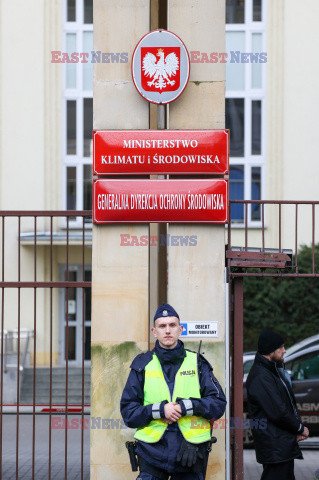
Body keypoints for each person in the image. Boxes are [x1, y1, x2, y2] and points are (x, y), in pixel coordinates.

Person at [120, 303, 226, 480]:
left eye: (172, 325)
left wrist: (185, 407)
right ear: (154, 332)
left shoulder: (198, 363)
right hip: (151, 454)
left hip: (190, 454)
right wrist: (161, 410)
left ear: (180, 329)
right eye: (162, 326)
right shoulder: (142, 365)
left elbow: (218, 404)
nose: (167, 330)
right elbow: (128, 412)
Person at [246, 330, 310, 480]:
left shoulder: (272, 370)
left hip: (281, 445)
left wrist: (295, 430)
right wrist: (299, 428)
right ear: (270, 350)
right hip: (275, 447)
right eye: (281, 347)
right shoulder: (261, 376)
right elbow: (278, 411)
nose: (284, 351)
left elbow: (286, 404)